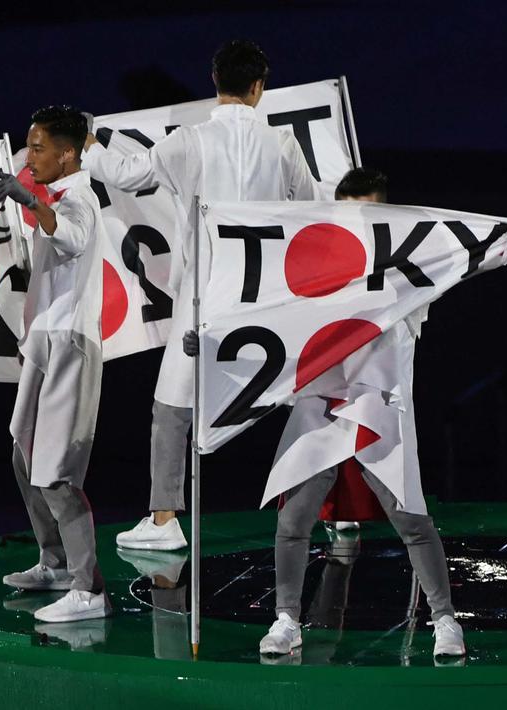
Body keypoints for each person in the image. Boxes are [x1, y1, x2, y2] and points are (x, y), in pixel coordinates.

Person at [183, 167, 507, 658]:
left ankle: (445, 622)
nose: (356, 221)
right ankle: (287, 620)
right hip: (317, 403)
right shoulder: (313, 262)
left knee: (412, 522)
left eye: (368, 212)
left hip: (379, 404)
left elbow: (468, 255)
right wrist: (210, 340)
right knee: (293, 520)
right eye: (348, 211)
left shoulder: (410, 265)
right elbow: (260, 302)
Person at [81, 39, 318, 552]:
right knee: (305, 397)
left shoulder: (188, 141)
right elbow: (314, 214)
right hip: (268, 300)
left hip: (203, 299)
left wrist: (89, 144)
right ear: (259, 87)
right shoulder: (283, 146)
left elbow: (127, 174)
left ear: (215, 82)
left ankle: (164, 519)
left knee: (172, 406)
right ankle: (332, 513)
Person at [0, 106, 110, 623]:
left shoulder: (80, 198)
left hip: (72, 344)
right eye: (28, 145)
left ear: (67, 153)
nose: (29, 156)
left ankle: (90, 590)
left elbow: (72, 236)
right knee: (24, 454)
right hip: (43, 340)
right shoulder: (54, 193)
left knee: (57, 474)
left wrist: (35, 204)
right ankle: (56, 561)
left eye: (38, 147)